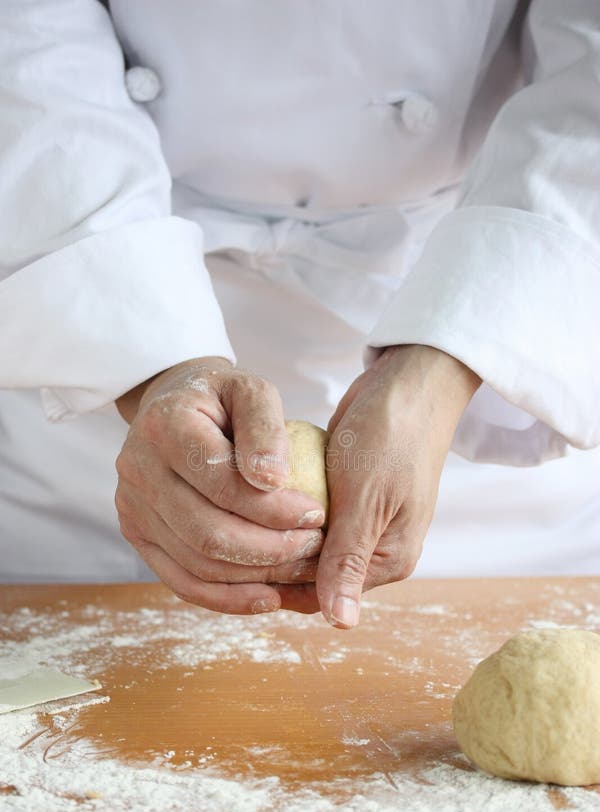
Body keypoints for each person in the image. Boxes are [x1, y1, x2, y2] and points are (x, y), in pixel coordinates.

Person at [1, 1, 599, 629]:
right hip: (87, 367)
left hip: (489, 354)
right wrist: (151, 367)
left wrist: (440, 372)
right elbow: (26, 49)